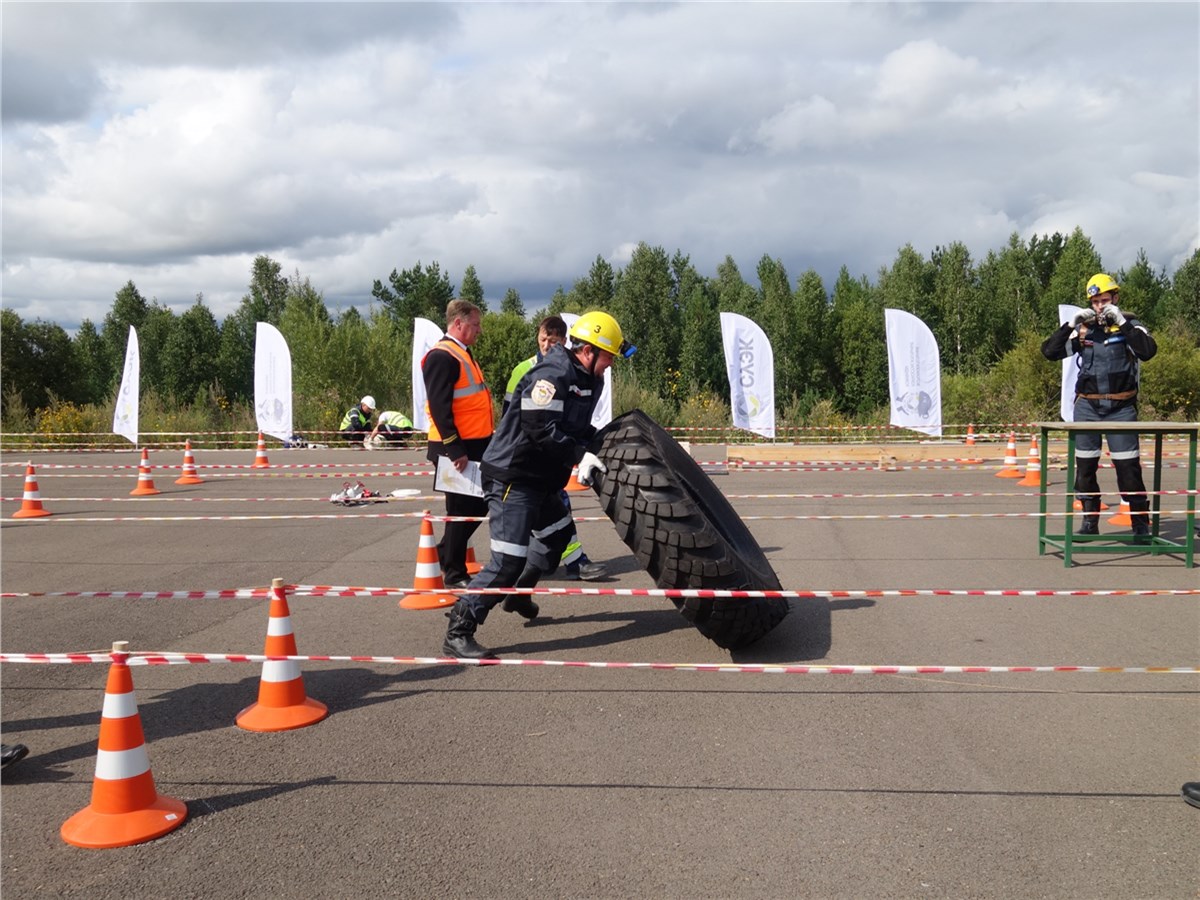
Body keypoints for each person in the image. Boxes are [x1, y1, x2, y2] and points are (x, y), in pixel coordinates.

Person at [442, 310, 635, 659]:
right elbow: (539, 430)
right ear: (588, 350)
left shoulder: (592, 380)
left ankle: (517, 595)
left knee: (557, 538)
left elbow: (575, 428)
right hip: (513, 477)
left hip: (543, 478)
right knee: (507, 561)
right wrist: (580, 455)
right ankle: (459, 629)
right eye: (607, 357)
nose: (610, 364)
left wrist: (604, 445)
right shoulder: (552, 374)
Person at [1041, 273, 1157, 538]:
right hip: (1088, 408)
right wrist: (1070, 326)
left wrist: (1123, 323)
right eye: (1095, 301)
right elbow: (1049, 352)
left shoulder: (1132, 326)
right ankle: (1090, 521)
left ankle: (1140, 524)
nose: (1099, 306)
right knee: (1085, 469)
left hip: (1122, 407)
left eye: (1104, 300)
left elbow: (1148, 352)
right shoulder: (1085, 331)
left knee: (1128, 470)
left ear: (1115, 298)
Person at [505, 315, 606, 582]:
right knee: (522, 530)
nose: (547, 344)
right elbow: (513, 418)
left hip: (551, 461)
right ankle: (517, 576)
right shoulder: (526, 370)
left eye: (553, 340)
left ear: (564, 342)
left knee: (558, 517)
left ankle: (574, 562)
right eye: (543, 339)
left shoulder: (574, 372)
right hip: (523, 462)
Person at [422, 299, 494, 588]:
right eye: (475, 325)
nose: (479, 330)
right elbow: (439, 408)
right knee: (461, 511)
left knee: (477, 507)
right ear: (458, 324)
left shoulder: (462, 353)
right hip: (455, 449)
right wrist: (455, 450)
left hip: (473, 445)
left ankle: (443, 554)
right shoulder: (442, 356)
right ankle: (454, 573)